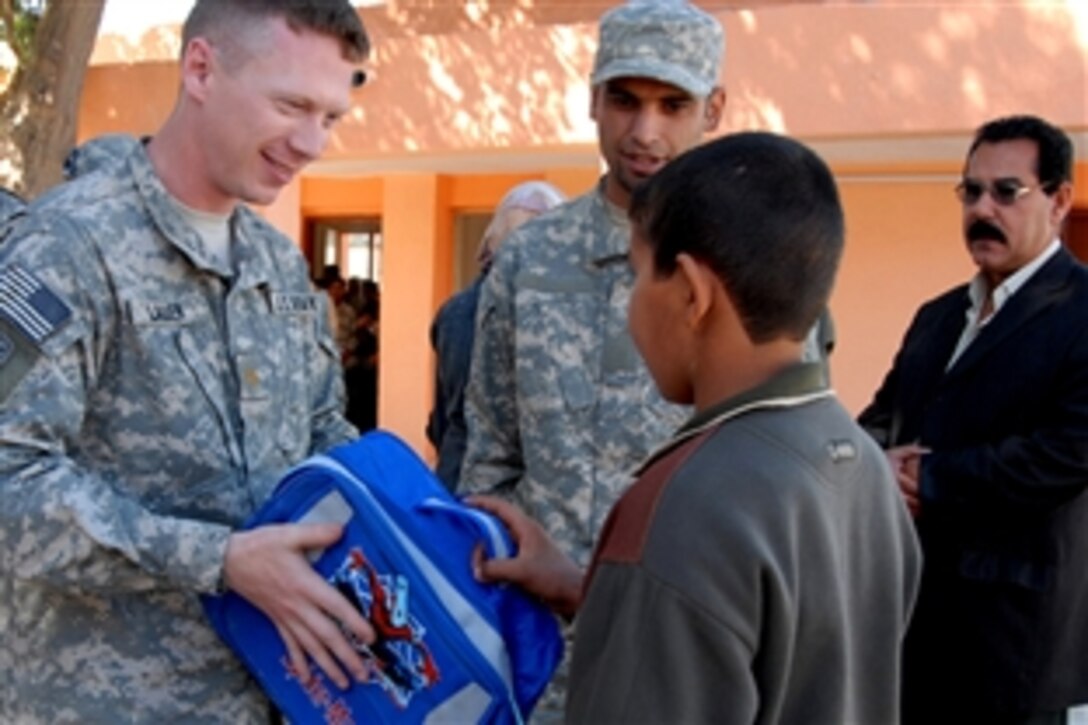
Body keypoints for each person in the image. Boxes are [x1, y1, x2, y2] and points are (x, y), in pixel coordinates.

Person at [0, 1, 379, 721]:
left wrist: (421, 533)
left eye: (331, 117)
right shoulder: (66, 249)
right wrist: (218, 559)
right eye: (292, 104)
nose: (311, 142)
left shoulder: (277, 264)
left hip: (272, 695)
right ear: (201, 68)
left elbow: (324, 435)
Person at [472, 131, 921, 724]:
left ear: (690, 292)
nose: (631, 306)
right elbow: (759, 650)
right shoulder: (857, 464)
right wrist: (588, 591)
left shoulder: (684, 503)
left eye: (636, 276)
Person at [458, 3, 727, 711]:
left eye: (674, 104)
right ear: (591, 99)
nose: (645, 132)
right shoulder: (528, 261)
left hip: (681, 663)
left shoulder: (748, 269)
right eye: (624, 100)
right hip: (533, 664)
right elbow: (489, 457)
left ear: (715, 108)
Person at [857, 114, 1088, 724]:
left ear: (1059, 199)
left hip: (1020, 642)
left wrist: (931, 482)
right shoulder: (937, 317)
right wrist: (867, 465)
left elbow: (1068, 451)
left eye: (1006, 192)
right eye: (972, 191)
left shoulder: (1081, 312)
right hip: (916, 629)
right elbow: (884, 416)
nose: (983, 209)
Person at [427, 180, 566, 490]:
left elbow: (443, 419)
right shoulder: (557, 315)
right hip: (521, 495)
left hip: (455, 482)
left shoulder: (454, 311)